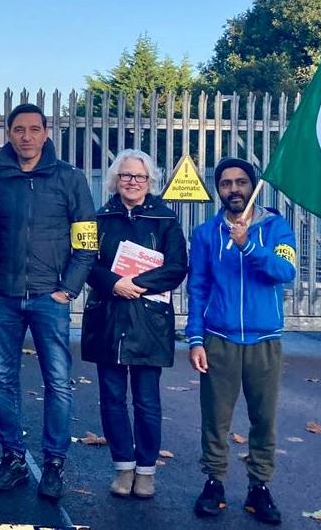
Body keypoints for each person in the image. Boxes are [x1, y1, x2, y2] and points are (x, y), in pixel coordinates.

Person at [0, 103, 97, 504]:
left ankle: (54, 464)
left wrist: (68, 290)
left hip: (51, 297)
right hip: (2, 297)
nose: (26, 136)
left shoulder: (70, 179)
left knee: (58, 383)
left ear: (46, 133)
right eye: (18, 129)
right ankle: (12, 458)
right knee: (3, 381)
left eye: (34, 129)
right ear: (9, 134)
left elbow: (86, 241)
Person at [187, 157, 296, 525]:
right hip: (219, 340)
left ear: (252, 185)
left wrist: (249, 245)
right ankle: (213, 482)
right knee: (215, 419)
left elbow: (285, 271)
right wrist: (195, 339)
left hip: (266, 341)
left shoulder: (276, 227)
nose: (233, 189)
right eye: (225, 184)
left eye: (240, 182)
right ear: (218, 190)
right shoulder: (205, 234)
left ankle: (259, 487)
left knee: (264, 419)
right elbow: (198, 288)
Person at [80, 149, 187, 499]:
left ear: (150, 181)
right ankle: (123, 468)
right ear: (115, 179)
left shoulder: (166, 220)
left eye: (139, 177)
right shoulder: (97, 218)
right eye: (126, 176)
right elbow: (84, 262)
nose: (132, 182)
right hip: (108, 319)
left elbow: (176, 267)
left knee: (146, 401)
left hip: (149, 322)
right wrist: (113, 283)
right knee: (111, 398)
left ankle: (146, 471)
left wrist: (138, 285)